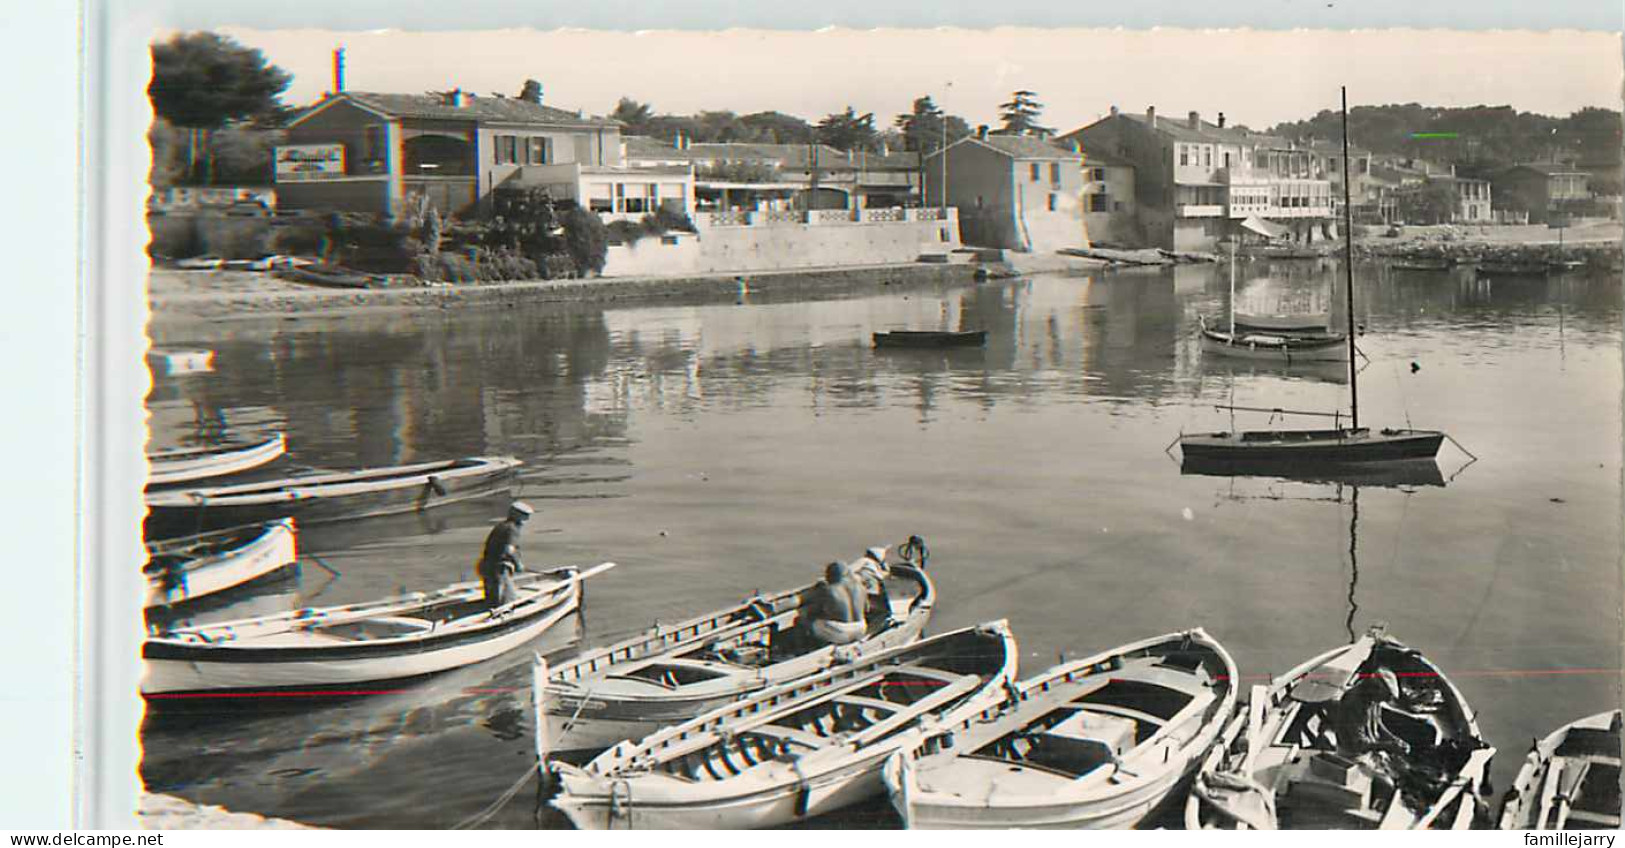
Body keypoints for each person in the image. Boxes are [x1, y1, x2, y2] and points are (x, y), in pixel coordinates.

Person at [1332, 668, 1411, 758]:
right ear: (1375, 688)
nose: (1386, 700)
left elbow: (1378, 722)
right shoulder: (1353, 702)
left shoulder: (1373, 698)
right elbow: (1358, 744)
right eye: (1386, 695)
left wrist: (1394, 739)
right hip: (1351, 754)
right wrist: (1388, 746)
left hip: (1369, 749)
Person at [477, 501, 533, 609]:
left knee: (492, 598)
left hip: (486, 566)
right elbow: (509, 550)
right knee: (508, 601)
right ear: (518, 515)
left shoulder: (501, 526)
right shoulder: (513, 529)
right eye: (526, 516)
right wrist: (518, 564)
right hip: (499, 569)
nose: (527, 519)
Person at [801, 561, 867, 647]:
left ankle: (806, 648)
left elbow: (805, 603)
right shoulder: (860, 587)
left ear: (830, 576)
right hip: (860, 628)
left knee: (804, 619)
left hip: (840, 633)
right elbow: (866, 609)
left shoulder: (827, 589)